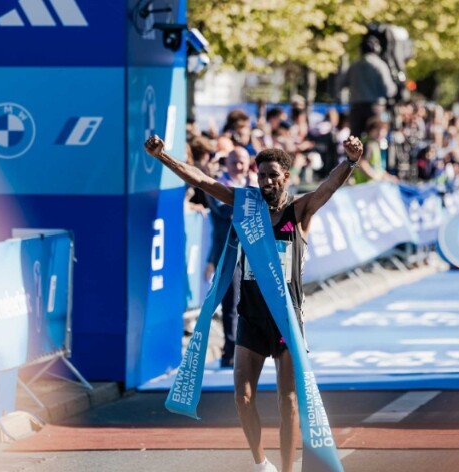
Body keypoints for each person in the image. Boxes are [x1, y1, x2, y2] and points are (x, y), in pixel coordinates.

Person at [144, 133, 363, 472]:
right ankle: (262, 465)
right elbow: (202, 181)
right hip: (251, 317)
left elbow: (329, 187)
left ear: (285, 176)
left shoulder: (299, 211)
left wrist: (350, 161)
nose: (266, 182)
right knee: (242, 397)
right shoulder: (246, 206)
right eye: (261, 176)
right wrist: (163, 157)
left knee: (288, 401)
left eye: (273, 175)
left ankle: (287, 470)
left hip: (286, 320)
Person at [204, 146, 257, 368]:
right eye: (234, 161)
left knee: (253, 302)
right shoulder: (217, 186)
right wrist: (247, 196)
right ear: (227, 163)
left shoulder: (255, 184)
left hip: (252, 252)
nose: (238, 166)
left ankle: (252, 348)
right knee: (231, 304)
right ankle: (230, 351)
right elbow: (224, 211)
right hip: (228, 253)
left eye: (242, 161)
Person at [342, 35, 397, 141]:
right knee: (375, 138)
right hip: (375, 107)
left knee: (354, 140)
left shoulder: (354, 66)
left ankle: (355, 153)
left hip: (356, 107)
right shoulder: (380, 65)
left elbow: (342, 84)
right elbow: (389, 90)